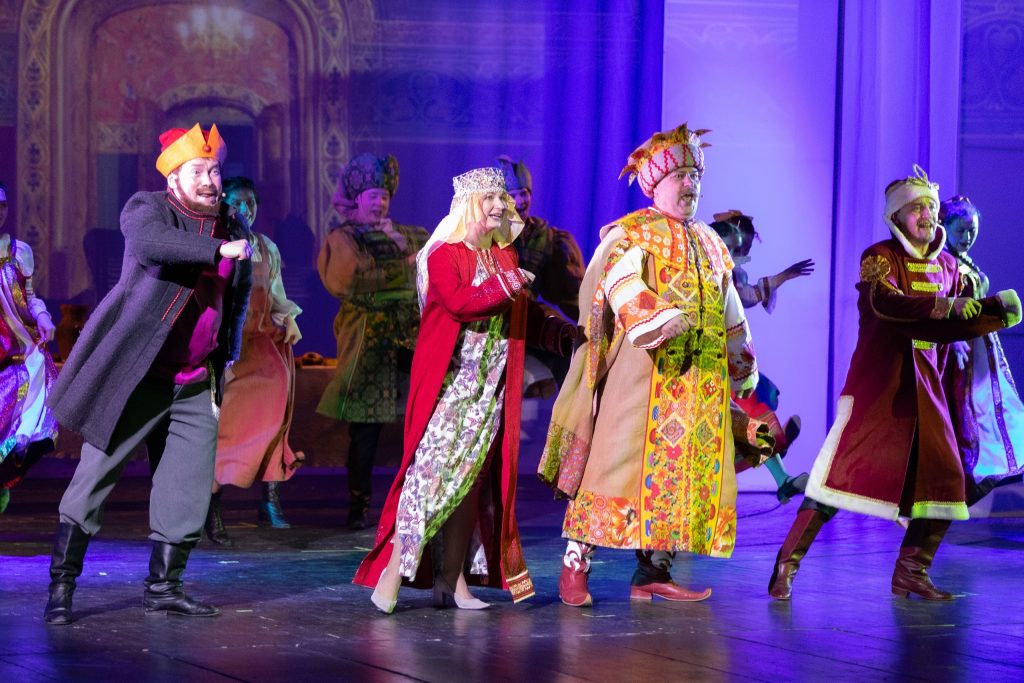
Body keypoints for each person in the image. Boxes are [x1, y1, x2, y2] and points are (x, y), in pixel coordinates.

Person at [768, 166, 1021, 602]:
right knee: (839, 478)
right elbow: (885, 305)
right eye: (916, 208)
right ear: (896, 216)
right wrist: (944, 306)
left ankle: (911, 572)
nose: (927, 215)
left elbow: (952, 328)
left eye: (930, 208)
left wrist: (994, 312)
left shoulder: (949, 267)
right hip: (881, 388)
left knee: (947, 481)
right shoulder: (880, 258)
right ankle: (787, 563)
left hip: (929, 394)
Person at [539, 123, 760, 607]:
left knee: (684, 478)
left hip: (699, 383)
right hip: (643, 378)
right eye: (679, 175)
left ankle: (653, 571)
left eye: (694, 175)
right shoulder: (633, 234)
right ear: (655, 184)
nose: (689, 184)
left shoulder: (711, 242)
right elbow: (617, 284)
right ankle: (576, 565)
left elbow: (730, 308)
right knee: (613, 465)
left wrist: (742, 363)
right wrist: (655, 317)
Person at [42, 123, 253, 624]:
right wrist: (216, 251)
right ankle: (62, 586)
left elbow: (237, 299)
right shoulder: (147, 209)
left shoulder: (232, 225)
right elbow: (154, 244)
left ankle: (164, 588)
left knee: (186, 488)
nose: (209, 181)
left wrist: (227, 358)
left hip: (194, 381)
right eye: (197, 171)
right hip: (137, 373)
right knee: (94, 477)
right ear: (173, 178)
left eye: (214, 171)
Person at [353, 167, 577, 613]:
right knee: (430, 480)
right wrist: (509, 283)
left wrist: (560, 332)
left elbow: (522, 313)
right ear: (469, 205)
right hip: (450, 388)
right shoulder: (444, 255)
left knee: (469, 485)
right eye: (488, 198)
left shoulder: (505, 257)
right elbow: (460, 304)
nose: (498, 205)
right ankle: (391, 575)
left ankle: (451, 582)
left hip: (489, 389)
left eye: (501, 198)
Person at [316, 153, 429, 529]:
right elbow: (350, 281)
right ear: (357, 200)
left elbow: (434, 264)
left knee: (425, 420)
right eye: (372, 196)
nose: (379, 202)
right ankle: (359, 504)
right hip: (369, 340)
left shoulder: (411, 234)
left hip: (412, 337)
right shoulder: (345, 238)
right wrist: (405, 267)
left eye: (383, 196)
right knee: (365, 429)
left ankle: (420, 502)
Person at [204, 177, 304, 546]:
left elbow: (275, 294)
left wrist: (285, 319)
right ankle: (211, 507)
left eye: (251, 203)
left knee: (277, 412)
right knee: (223, 426)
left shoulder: (265, 247)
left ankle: (270, 499)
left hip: (260, 344)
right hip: (226, 345)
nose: (244, 209)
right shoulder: (212, 242)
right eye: (236, 202)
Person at [710, 210, 812, 503]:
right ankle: (776, 447)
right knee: (740, 418)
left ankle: (782, 476)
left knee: (753, 409)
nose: (742, 253)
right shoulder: (702, 266)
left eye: (744, 247)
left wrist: (783, 277)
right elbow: (747, 296)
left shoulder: (730, 272)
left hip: (729, 358)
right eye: (738, 246)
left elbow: (747, 296)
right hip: (706, 360)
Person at [941, 195, 1024, 504]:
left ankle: (988, 472)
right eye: (961, 230)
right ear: (945, 228)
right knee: (965, 413)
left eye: (972, 231)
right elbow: (942, 305)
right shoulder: (943, 263)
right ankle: (964, 482)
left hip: (981, 346)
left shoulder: (964, 261)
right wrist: (953, 339)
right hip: (961, 350)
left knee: (993, 408)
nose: (967, 237)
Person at [496, 156, 585, 393]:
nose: (520, 201)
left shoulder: (543, 235)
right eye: (512, 196)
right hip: (494, 320)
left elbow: (566, 293)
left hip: (529, 318)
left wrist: (590, 318)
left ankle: (571, 408)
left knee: (566, 339)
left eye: (524, 194)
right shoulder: (490, 233)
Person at [0, 181, 58, 513]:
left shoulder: (18, 251)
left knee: (38, 378)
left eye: (2, 205)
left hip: (19, 344)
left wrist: (44, 316)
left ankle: (17, 454)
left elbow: (30, 296)